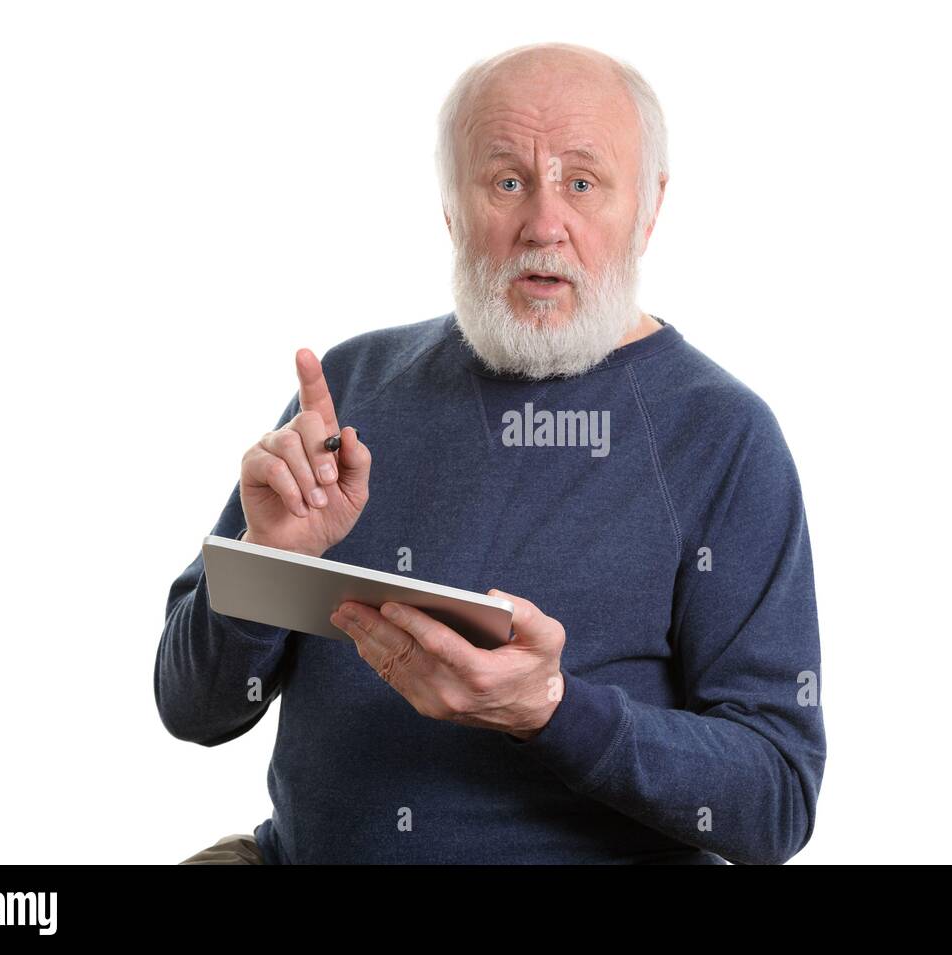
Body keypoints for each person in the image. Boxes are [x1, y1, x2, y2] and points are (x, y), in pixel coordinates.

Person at [159, 41, 826, 865]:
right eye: (507, 181)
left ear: (648, 208)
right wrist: (264, 563)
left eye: (582, 182)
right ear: (450, 207)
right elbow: (191, 708)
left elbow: (777, 799)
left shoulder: (723, 438)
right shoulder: (349, 385)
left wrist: (552, 708)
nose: (544, 224)